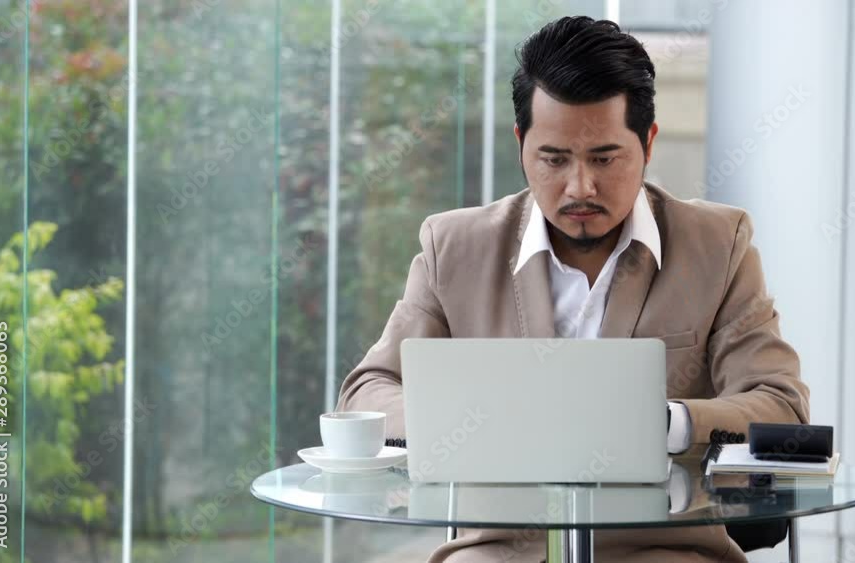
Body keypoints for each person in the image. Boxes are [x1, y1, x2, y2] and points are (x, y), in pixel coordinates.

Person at [337, 15, 810, 562]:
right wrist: (471, 422)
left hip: (661, 549)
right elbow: (367, 391)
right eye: (554, 159)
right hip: (501, 550)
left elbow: (781, 407)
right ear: (521, 144)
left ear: (648, 143)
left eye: (604, 158)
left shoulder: (717, 245)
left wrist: (666, 423)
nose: (580, 187)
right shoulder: (456, 247)